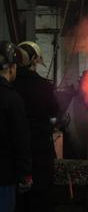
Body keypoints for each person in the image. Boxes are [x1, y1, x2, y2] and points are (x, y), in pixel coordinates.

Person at [14, 41, 59, 212]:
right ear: (34, 60)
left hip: (14, 151)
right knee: (41, 196)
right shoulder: (44, 86)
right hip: (40, 150)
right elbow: (54, 111)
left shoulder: (10, 86)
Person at [0, 41, 32, 212]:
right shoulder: (12, 99)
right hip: (4, 176)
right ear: (11, 67)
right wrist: (26, 174)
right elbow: (21, 140)